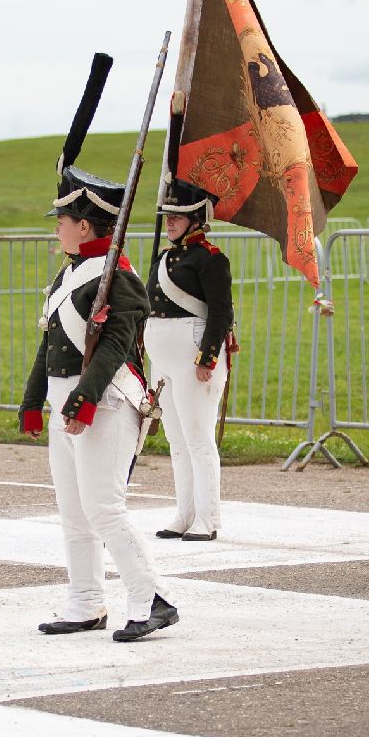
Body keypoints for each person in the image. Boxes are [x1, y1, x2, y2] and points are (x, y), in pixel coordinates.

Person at [20, 165, 179, 642]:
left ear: (84, 225)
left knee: (104, 508)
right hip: (66, 402)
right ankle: (86, 602)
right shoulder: (68, 275)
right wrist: (33, 399)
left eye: (63, 220)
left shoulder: (119, 278)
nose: (57, 227)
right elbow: (49, 345)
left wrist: (84, 399)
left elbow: (116, 345)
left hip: (106, 402)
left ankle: (150, 598)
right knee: (73, 511)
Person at [147, 177, 233, 543]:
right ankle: (184, 513)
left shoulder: (210, 259)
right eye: (167, 216)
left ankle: (207, 518)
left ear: (197, 218)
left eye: (177, 217)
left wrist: (207, 358)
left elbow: (221, 313)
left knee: (198, 439)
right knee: (176, 440)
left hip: (194, 357)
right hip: (164, 361)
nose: (169, 222)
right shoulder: (164, 257)